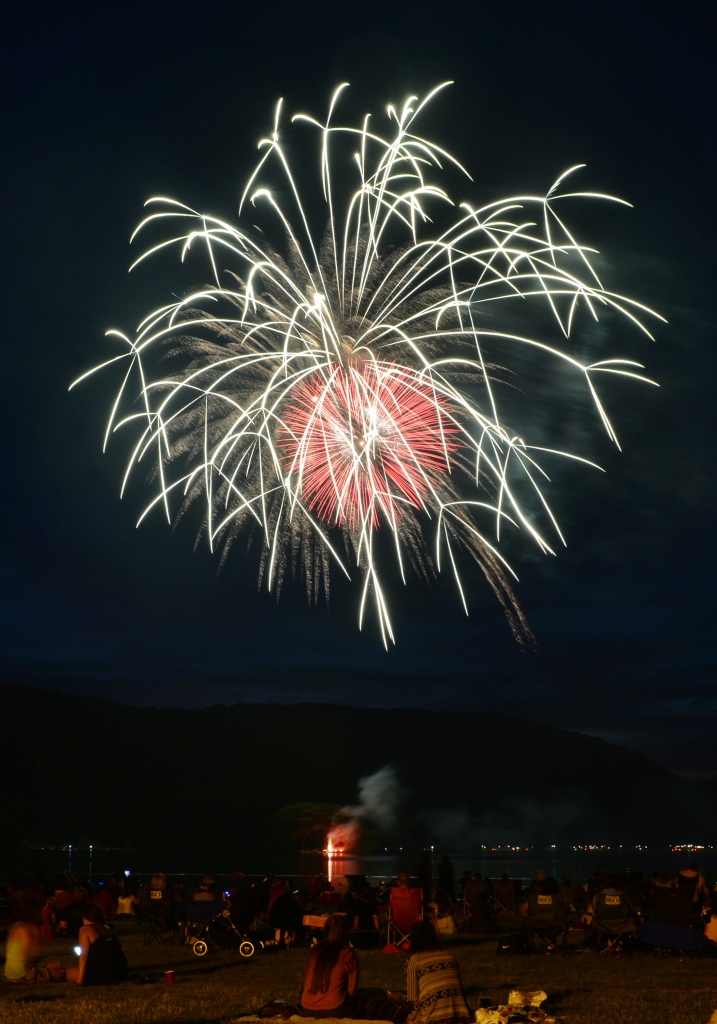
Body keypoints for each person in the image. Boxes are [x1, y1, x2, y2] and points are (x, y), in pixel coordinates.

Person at [404, 920, 472, 1024]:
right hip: (461, 1016)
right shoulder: (450, 957)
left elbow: (411, 998)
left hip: (433, 1018)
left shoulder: (415, 959)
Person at [300, 913, 358, 1017]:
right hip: (333, 1009)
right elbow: (351, 990)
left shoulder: (314, 951)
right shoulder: (348, 954)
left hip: (306, 1008)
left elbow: (305, 981)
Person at [65, 904, 128, 986]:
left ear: (85, 917)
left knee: (66, 972)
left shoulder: (85, 929)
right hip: (119, 973)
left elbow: (83, 957)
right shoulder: (107, 928)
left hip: (101, 974)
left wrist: (79, 982)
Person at [4, 899, 64, 984]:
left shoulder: (20, 926)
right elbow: (31, 954)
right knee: (60, 973)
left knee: (58, 965)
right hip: (20, 975)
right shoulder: (23, 929)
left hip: (23, 968)